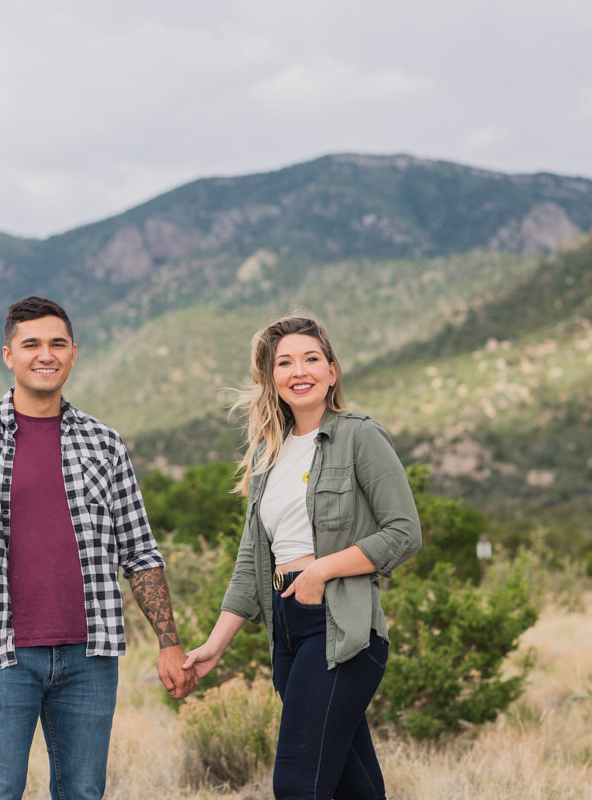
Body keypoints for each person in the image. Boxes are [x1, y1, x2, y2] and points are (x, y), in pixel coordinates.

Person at [0, 296, 196, 800]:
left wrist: (168, 643)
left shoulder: (105, 444)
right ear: (9, 356)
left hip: (90, 657)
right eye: (30, 344)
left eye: (56, 344)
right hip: (1, 658)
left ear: (74, 353)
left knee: (83, 793)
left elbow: (139, 551)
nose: (44, 355)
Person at [183, 314, 422, 800]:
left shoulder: (359, 436)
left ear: (332, 371)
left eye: (312, 359)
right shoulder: (267, 455)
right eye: (285, 362)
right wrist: (215, 644)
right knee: (353, 788)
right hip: (287, 632)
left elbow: (404, 533)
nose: (300, 370)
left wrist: (322, 569)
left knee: (297, 782)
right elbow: (251, 562)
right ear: (271, 378)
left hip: (342, 627)